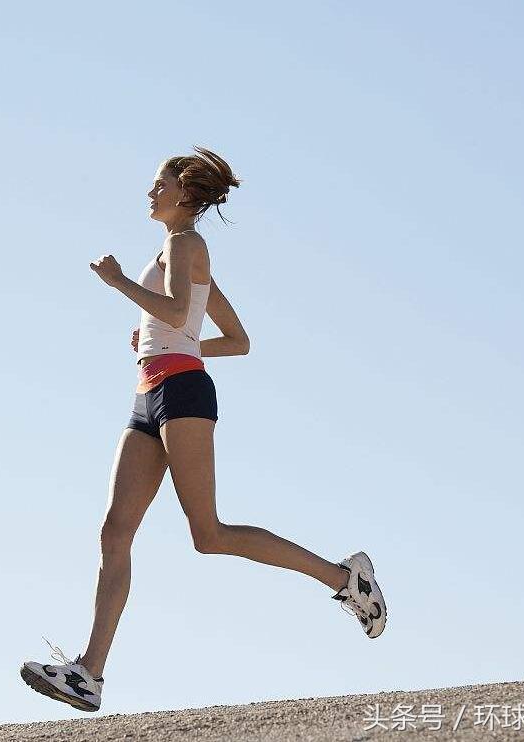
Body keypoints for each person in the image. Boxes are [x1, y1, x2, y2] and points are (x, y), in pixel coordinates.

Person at [20, 147, 387, 712]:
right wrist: (158, 339)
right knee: (114, 533)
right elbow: (234, 339)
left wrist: (120, 284)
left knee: (207, 534)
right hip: (151, 393)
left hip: (183, 394)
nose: (149, 193)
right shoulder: (181, 253)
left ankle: (343, 578)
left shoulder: (186, 243)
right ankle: (88, 673)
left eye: (157, 184)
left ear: (184, 193)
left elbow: (171, 313)